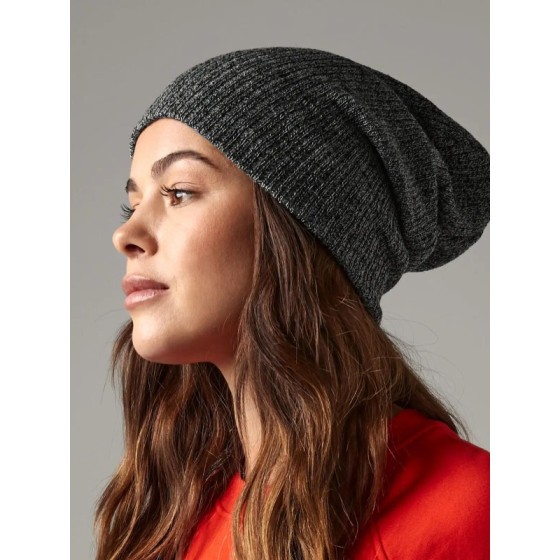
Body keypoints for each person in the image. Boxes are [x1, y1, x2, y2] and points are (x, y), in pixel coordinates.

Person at [94, 47, 490, 560]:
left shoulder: (471, 508)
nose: (126, 234)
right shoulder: (175, 515)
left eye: (180, 192)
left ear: (300, 230)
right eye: (132, 204)